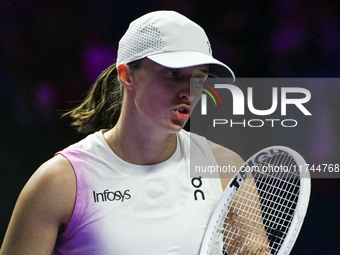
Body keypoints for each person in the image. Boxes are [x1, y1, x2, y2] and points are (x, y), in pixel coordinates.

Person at [0, 11, 246, 254]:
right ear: (126, 75)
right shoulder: (60, 182)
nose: (189, 92)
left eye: (199, 79)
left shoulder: (226, 167)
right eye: (173, 75)